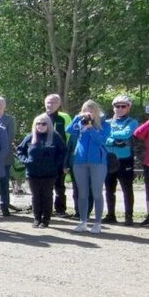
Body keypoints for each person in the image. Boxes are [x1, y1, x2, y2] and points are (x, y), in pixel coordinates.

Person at [17, 113, 67, 227]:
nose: (40, 126)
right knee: (35, 196)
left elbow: (63, 151)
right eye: (38, 124)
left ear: (48, 125)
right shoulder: (30, 137)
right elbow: (20, 150)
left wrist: (56, 164)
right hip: (33, 173)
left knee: (47, 196)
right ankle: (36, 218)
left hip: (49, 173)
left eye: (43, 124)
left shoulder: (55, 136)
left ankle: (46, 219)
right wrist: (25, 161)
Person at [67, 100, 110, 233]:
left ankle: (97, 223)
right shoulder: (80, 122)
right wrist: (77, 118)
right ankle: (83, 221)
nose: (89, 113)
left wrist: (91, 128)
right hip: (80, 161)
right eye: (86, 110)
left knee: (97, 192)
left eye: (91, 110)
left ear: (97, 112)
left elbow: (101, 141)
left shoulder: (105, 124)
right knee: (82, 193)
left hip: (98, 162)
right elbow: (68, 130)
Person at [103, 94, 139, 225]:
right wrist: (114, 140)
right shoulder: (106, 122)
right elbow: (103, 138)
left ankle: (129, 216)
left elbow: (126, 134)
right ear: (113, 108)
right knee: (109, 189)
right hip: (108, 159)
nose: (120, 108)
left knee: (127, 189)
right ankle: (110, 215)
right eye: (117, 106)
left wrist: (109, 137)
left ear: (128, 108)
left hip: (125, 160)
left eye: (123, 106)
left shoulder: (132, 122)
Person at [44, 94, 73, 215]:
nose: (51, 105)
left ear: (59, 104)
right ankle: (46, 209)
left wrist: (67, 158)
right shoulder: (41, 118)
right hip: (45, 157)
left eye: (54, 102)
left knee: (59, 185)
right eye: (49, 102)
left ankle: (60, 209)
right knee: (45, 185)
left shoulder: (64, 117)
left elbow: (70, 137)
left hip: (60, 156)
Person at [0, 97, 18, 215]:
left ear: (4, 106)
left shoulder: (9, 120)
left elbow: (9, 138)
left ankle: (4, 206)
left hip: (4, 157)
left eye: (0, 104)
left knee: (3, 183)